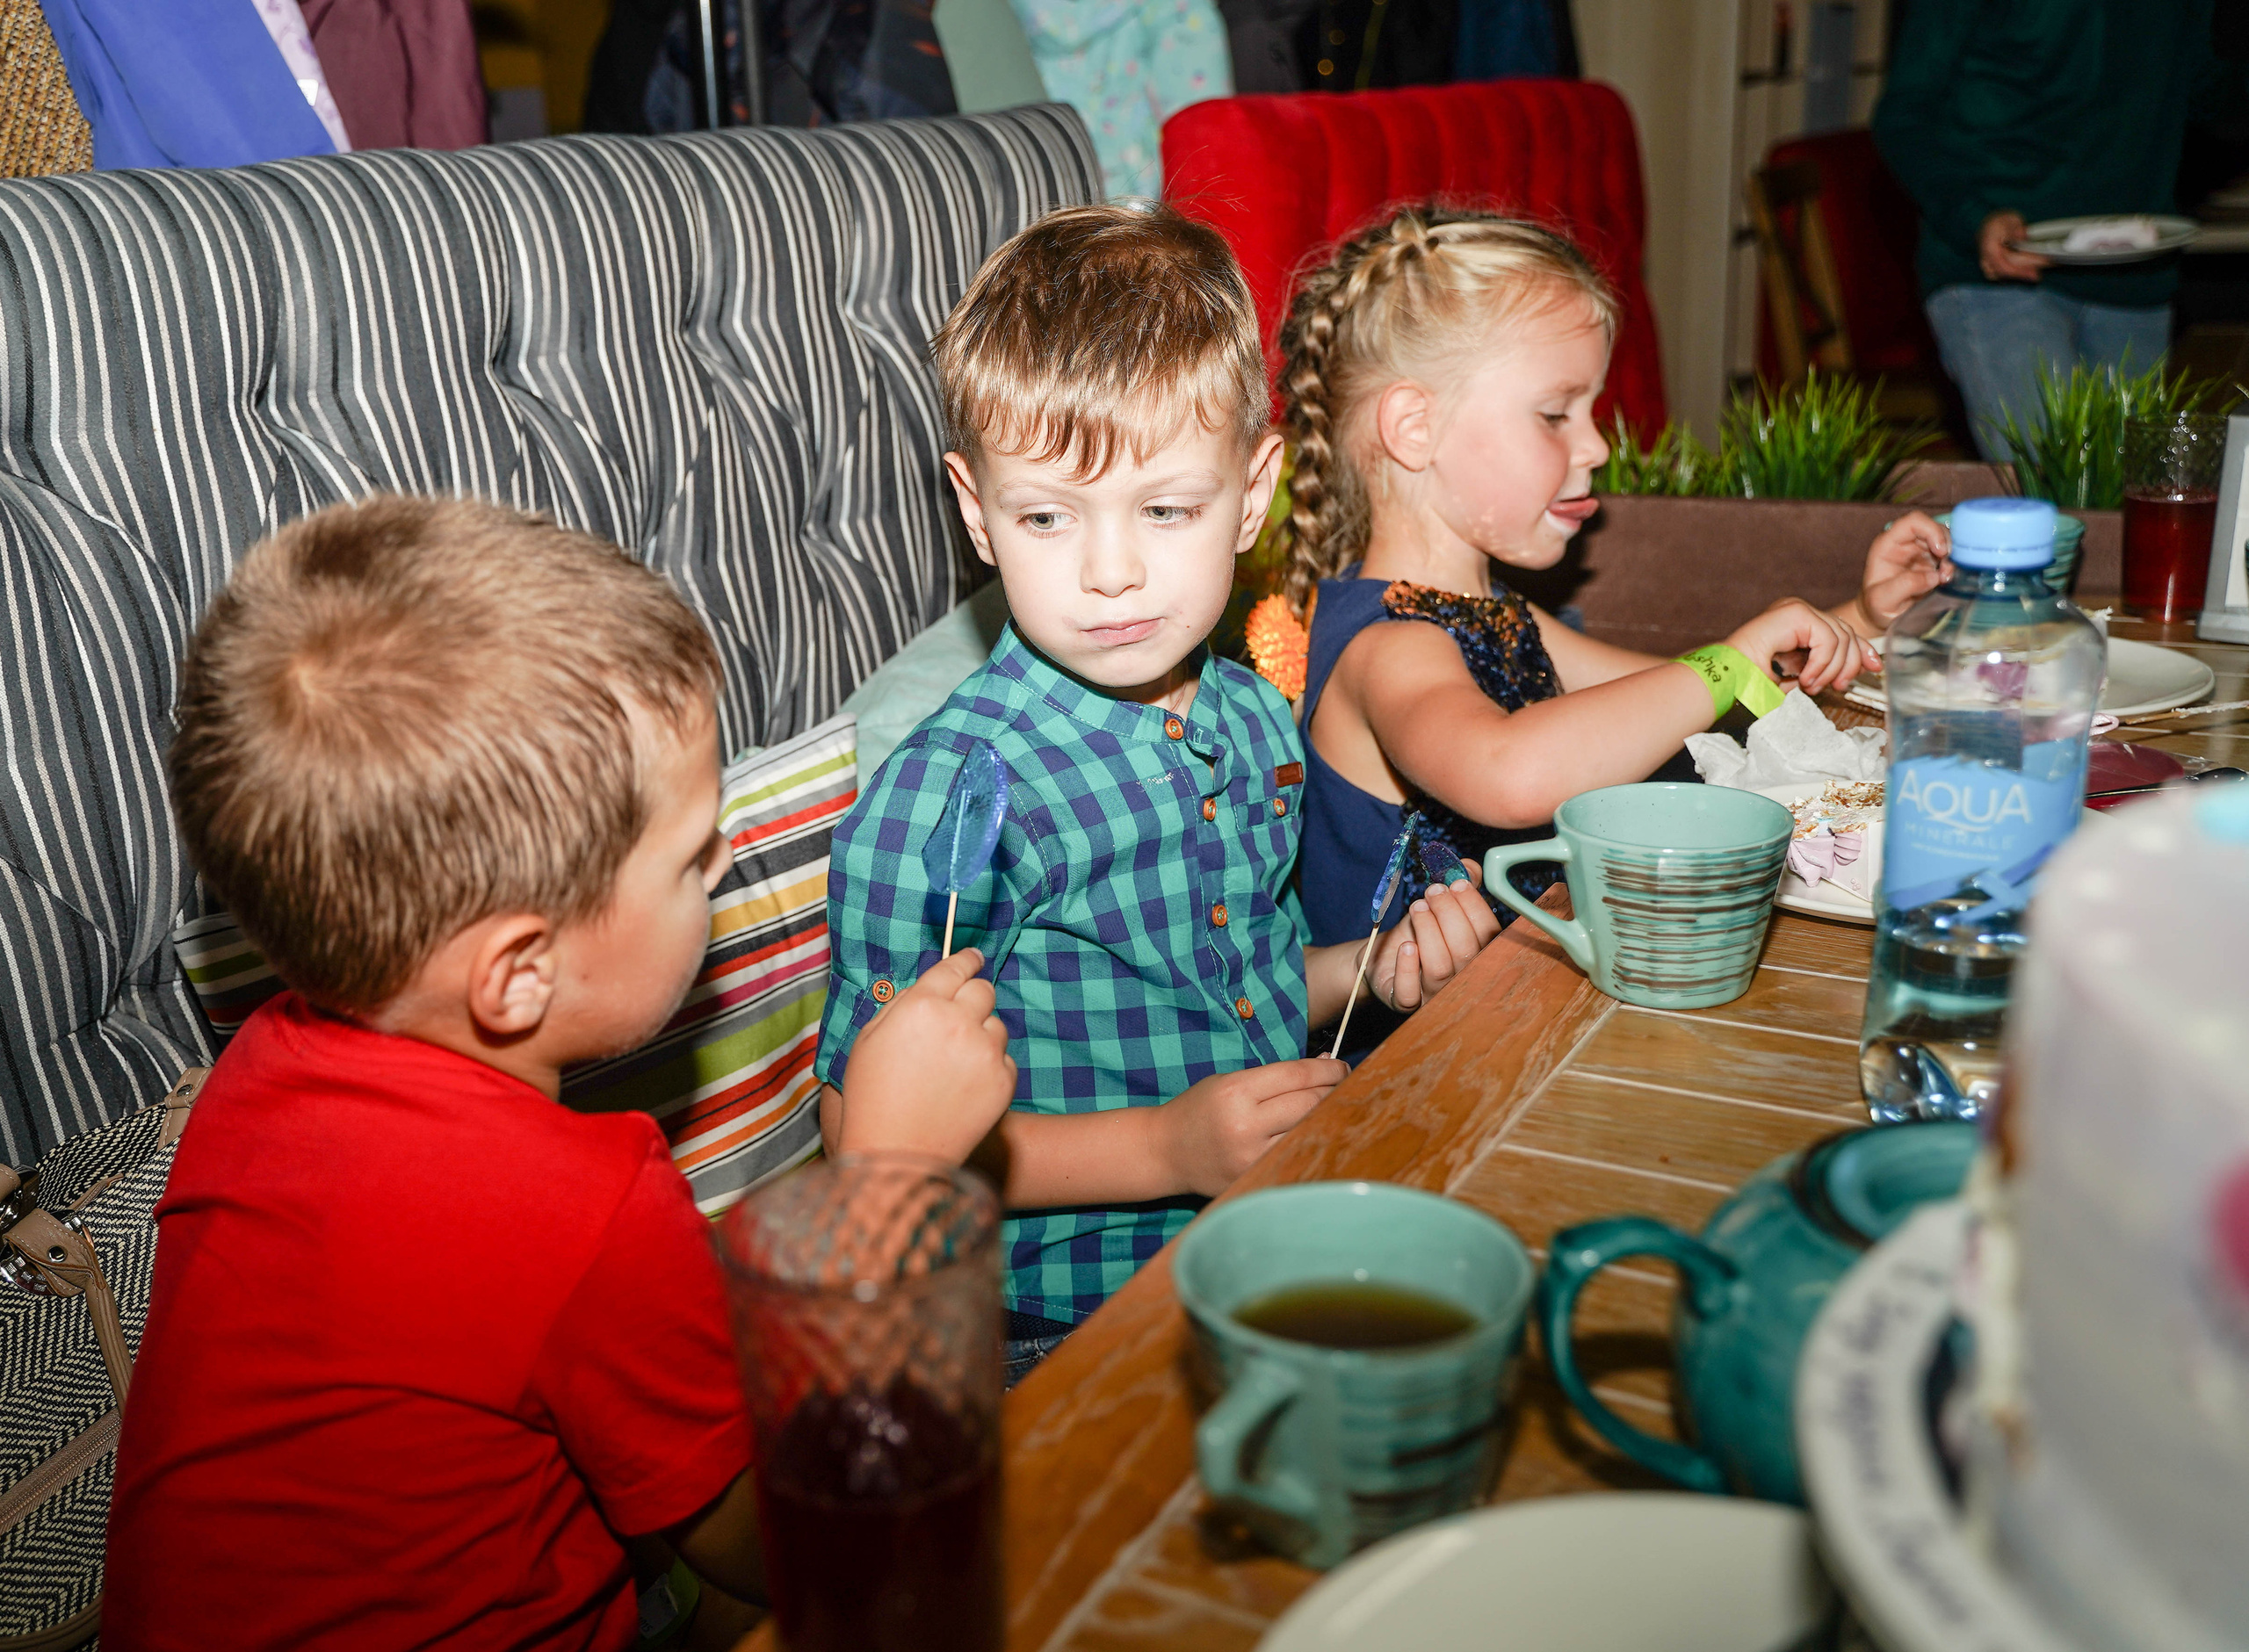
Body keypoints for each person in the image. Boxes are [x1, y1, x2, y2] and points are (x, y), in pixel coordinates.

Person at [104, 496, 1017, 1652]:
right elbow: (778, 1540)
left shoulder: (256, 1075)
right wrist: (892, 1173)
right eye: (693, 856)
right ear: (519, 974)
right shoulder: (579, 1210)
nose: (729, 854)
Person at [814, 203, 1502, 1384]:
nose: (1111, 570)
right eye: (1046, 516)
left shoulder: (1248, 717)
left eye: (1166, 509)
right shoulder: (951, 800)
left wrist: (1376, 966)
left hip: (1254, 1244)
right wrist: (1169, 1147)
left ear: (1252, 493)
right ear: (978, 513)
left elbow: (1240, 990)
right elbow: (865, 1143)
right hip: (1056, 1322)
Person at [1275, 207, 1951, 1031]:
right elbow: (1509, 773)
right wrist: (1728, 661)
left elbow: (1669, 698)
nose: (1594, 447)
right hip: (1419, 1074)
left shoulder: (1497, 616)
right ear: (1415, 428)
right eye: (1556, 414)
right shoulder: (1387, 647)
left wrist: (1852, 616)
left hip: (1530, 1020)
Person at [1872, 0, 2220, 456]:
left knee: (2124, 503)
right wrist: (1974, 218)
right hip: (2000, 272)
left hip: (2136, 278)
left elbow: (2204, 83)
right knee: (2046, 496)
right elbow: (1902, 115)